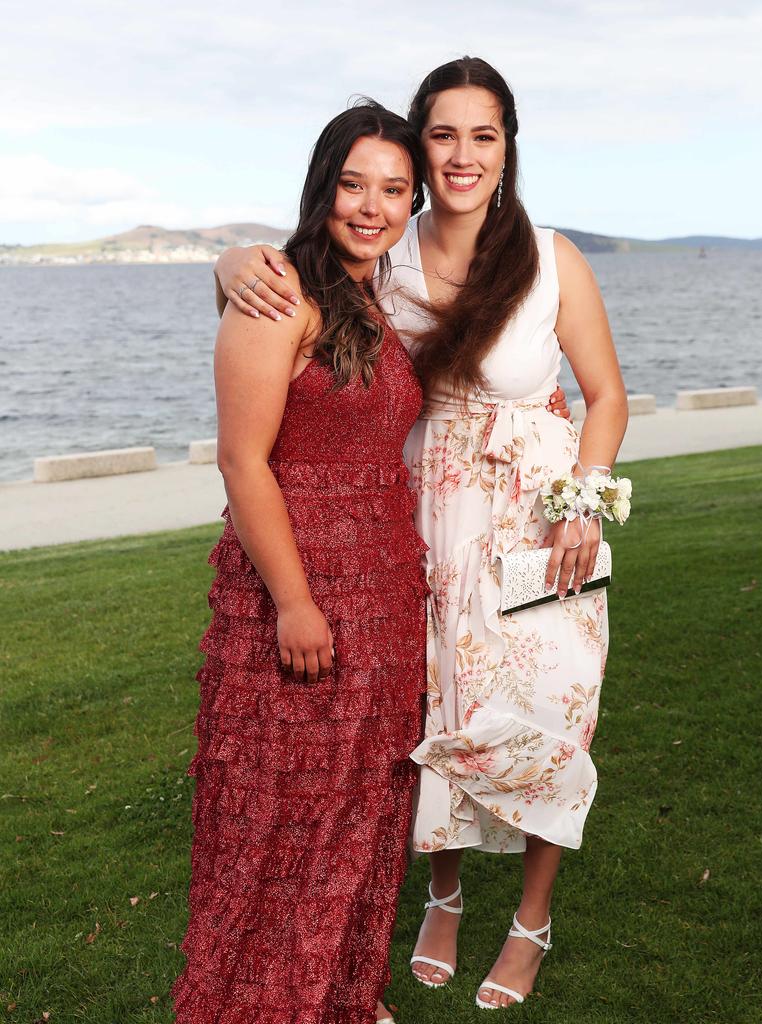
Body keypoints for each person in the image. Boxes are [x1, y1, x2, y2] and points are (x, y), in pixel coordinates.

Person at [216, 56, 628, 1012]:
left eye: (484, 135)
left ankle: (532, 918)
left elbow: (605, 396)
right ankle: (440, 896)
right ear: (418, 145)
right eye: (443, 134)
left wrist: (586, 499)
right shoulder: (384, 254)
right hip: (424, 516)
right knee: (431, 711)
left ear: (508, 147)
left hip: (541, 517)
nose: (463, 154)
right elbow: (293, 300)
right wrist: (232, 260)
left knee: (552, 712)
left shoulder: (552, 255)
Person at [171, 100, 431, 1024]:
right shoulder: (279, 291)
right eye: (354, 184)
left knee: (360, 821)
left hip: (388, 598)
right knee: (282, 821)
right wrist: (293, 600)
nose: (372, 206)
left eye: (395, 189)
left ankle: (341, 997)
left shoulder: (374, 295)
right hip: (301, 595)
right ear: (324, 187)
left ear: (414, 201)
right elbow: (243, 461)